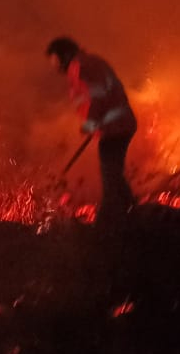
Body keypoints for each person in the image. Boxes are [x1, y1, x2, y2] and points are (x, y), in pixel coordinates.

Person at [46, 36, 137, 221]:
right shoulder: (87, 63)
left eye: (55, 60)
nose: (55, 67)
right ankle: (131, 211)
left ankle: (109, 222)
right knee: (114, 173)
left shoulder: (81, 66)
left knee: (110, 175)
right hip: (116, 125)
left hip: (114, 126)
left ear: (64, 55)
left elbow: (95, 96)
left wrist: (91, 123)